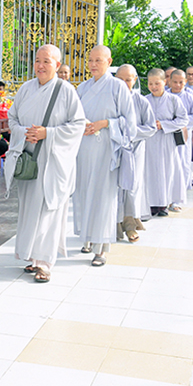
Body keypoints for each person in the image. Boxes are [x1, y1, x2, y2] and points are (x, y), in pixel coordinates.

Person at [5, 44, 85, 283]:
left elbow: (78, 125)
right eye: (38, 60)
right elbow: (12, 118)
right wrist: (24, 133)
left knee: (49, 209)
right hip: (29, 160)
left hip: (53, 162)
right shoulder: (26, 89)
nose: (40, 65)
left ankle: (45, 263)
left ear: (57, 65)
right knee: (30, 209)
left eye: (46, 61)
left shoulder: (66, 91)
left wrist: (47, 133)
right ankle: (32, 256)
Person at [74, 46, 136, 266]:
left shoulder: (118, 87)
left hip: (107, 149)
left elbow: (130, 124)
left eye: (98, 60)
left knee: (103, 197)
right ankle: (87, 237)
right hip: (84, 149)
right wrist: (81, 124)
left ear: (109, 62)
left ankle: (101, 248)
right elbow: (73, 116)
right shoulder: (82, 88)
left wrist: (106, 123)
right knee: (84, 194)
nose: (93, 64)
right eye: (90, 60)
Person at [114, 65, 156, 243]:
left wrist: (129, 132)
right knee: (114, 188)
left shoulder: (141, 101)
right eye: (120, 79)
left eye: (128, 80)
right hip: (113, 148)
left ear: (135, 80)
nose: (124, 83)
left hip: (135, 149)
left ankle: (130, 225)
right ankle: (114, 226)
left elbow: (151, 127)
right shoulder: (109, 99)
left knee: (132, 187)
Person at [143, 69, 188, 217]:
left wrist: (163, 124)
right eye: (150, 84)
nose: (153, 87)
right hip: (149, 141)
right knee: (149, 171)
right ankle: (151, 203)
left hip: (166, 140)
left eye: (157, 83)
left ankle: (164, 203)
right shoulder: (144, 100)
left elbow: (183, 119)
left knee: (167, 171)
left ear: (164, 82)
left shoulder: (173, 100)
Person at [167, 69, 193, 202]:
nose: (177, 85)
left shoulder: (190, 97)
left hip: (183, 136)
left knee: (182, 164)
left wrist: (179, 123)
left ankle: (178, 198)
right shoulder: (164, 96)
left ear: (185, 82)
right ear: (169, 81)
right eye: (175, 82)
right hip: (166, 136)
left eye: (181, 82)